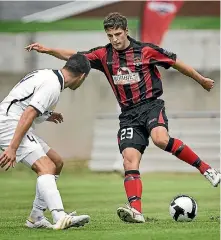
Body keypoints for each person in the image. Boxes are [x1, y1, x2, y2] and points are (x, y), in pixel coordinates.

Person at [25, 12, 220, 224]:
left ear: (126, 31)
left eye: (118, 34)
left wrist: (201, 80)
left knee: (160, 139)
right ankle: (136, 211)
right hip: (128, 115)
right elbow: (75, 57)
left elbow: (175, 62)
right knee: (129, 159)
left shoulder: (145, 51)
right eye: (110, 35)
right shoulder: (103, 55)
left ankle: (207, 170)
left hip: (151, 105)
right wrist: (48, 50)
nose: (115, 39)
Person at [0, 54, 91, 229]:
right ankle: (59, 216)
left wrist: (47, 114)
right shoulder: (53, 86)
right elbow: (28, 113)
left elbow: (24, 101)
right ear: (82, 76)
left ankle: (36, 217)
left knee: (56, 162)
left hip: (12, 121)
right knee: (46, 167)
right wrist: (12, 147)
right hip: (10, 124)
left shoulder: (49, 74)